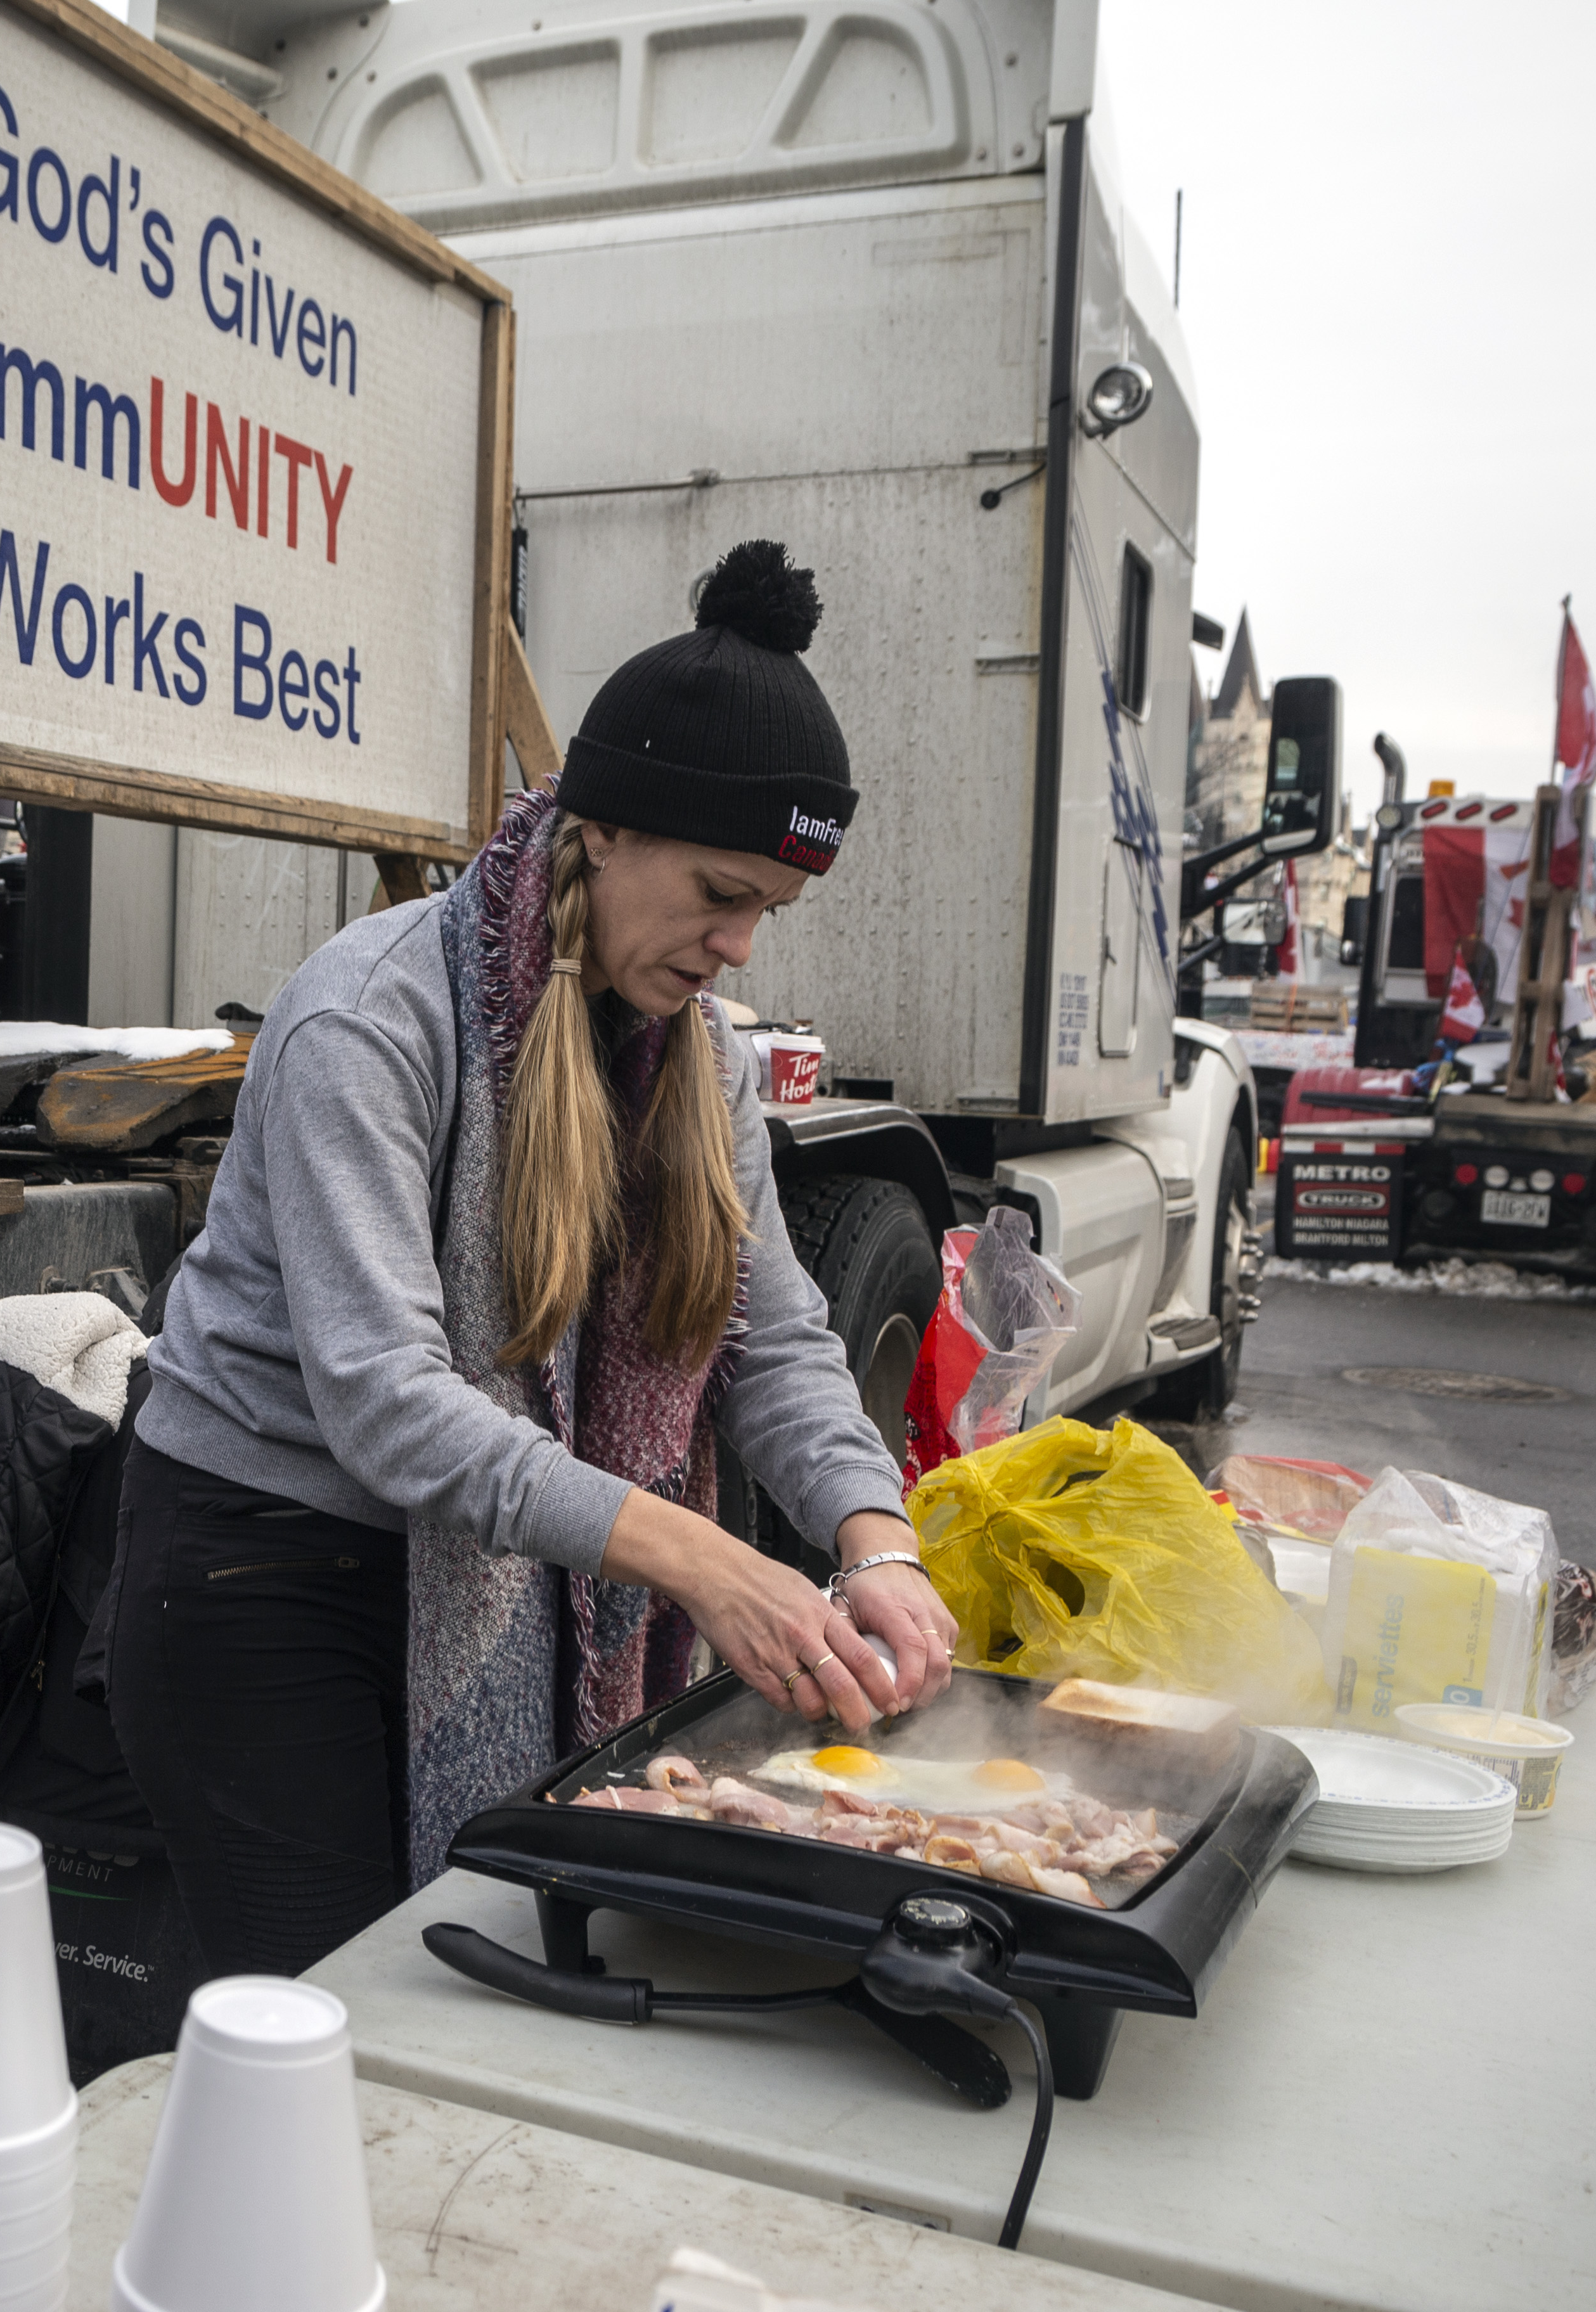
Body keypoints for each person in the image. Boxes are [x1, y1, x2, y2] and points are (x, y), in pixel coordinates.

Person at [113, 541, 961, 1979]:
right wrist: (699, 1559)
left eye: (768, 909)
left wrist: (870, 1538)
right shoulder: (371, 1020)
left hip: (485, 1570)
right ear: (604, 832)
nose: (736, 945)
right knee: (343, 2029)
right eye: (717, 889)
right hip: (260, 1577)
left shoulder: (702, 1070)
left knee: (472, 1997)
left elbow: (773, 1343)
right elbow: (386, 1402)